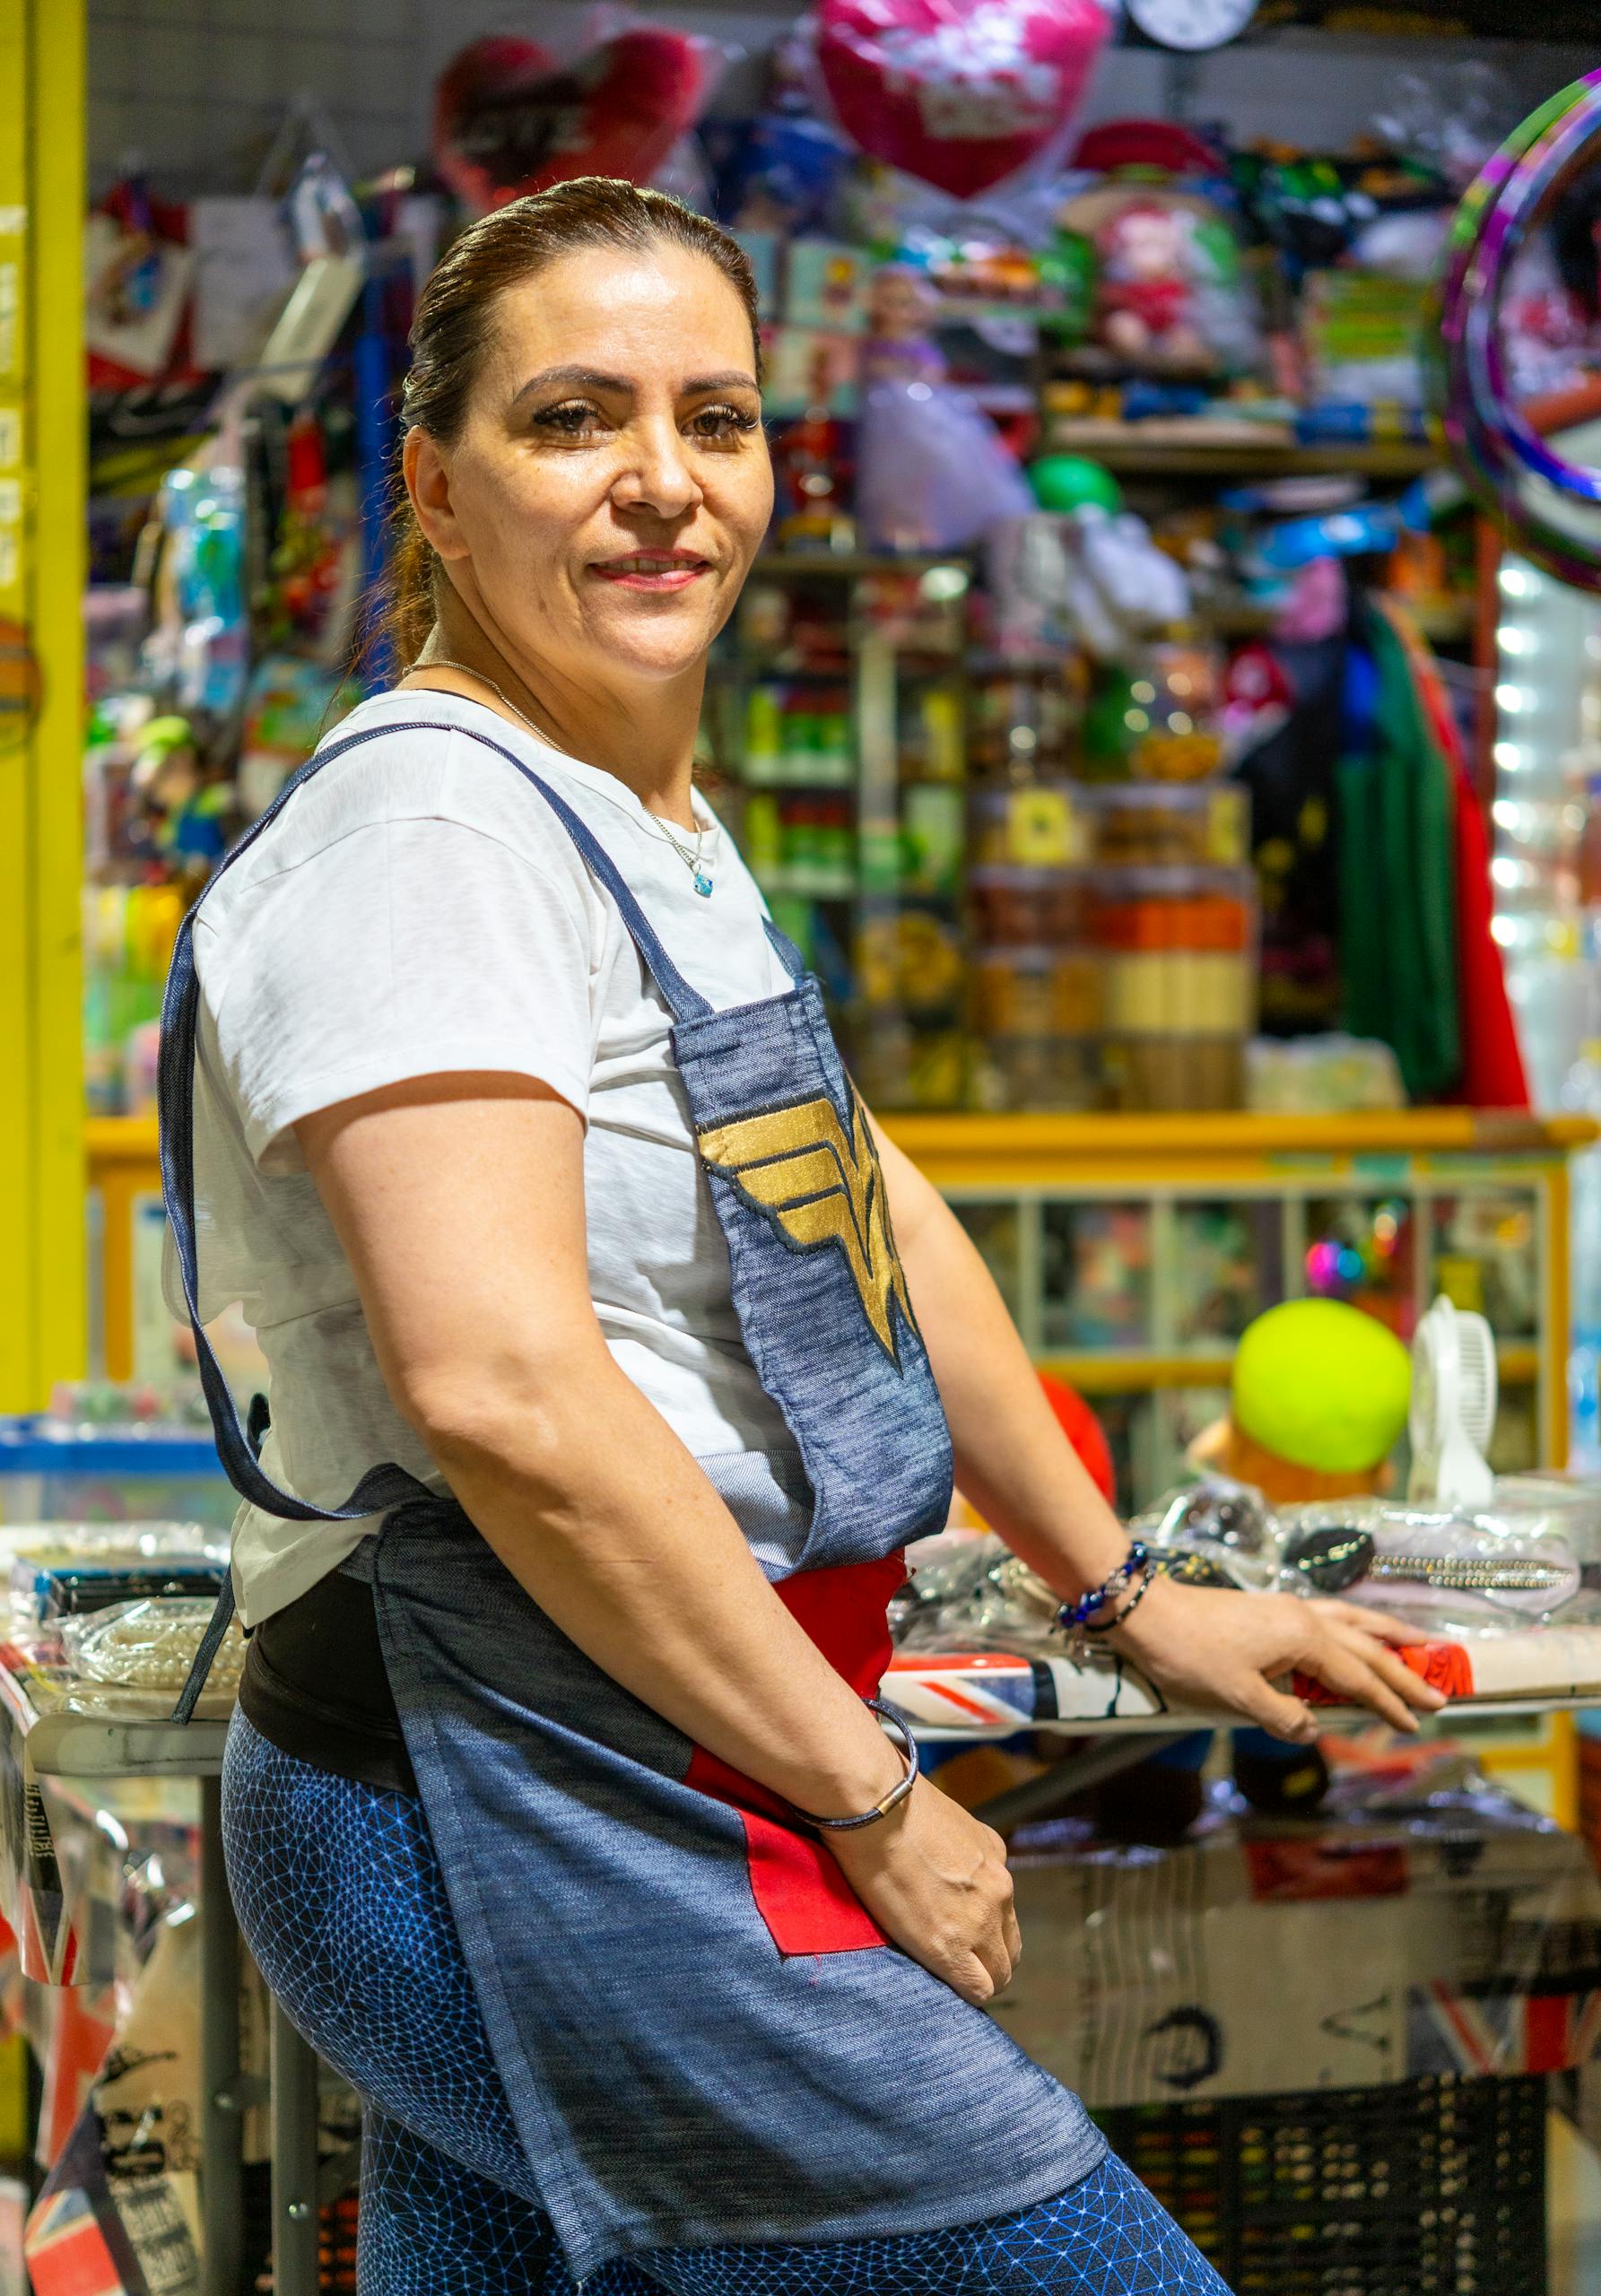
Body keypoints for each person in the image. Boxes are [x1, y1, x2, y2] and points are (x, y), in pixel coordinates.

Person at [161, 178, 1444, 2296]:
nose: (666, 485)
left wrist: (1123, 1588)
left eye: (719, 418)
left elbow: (859, 1197)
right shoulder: (432, 833)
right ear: (435, 489)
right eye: (576, 419)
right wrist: (867, 1796)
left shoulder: (637, 806)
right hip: (514, 1794)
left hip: (637, 1739)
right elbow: (507, 1391)